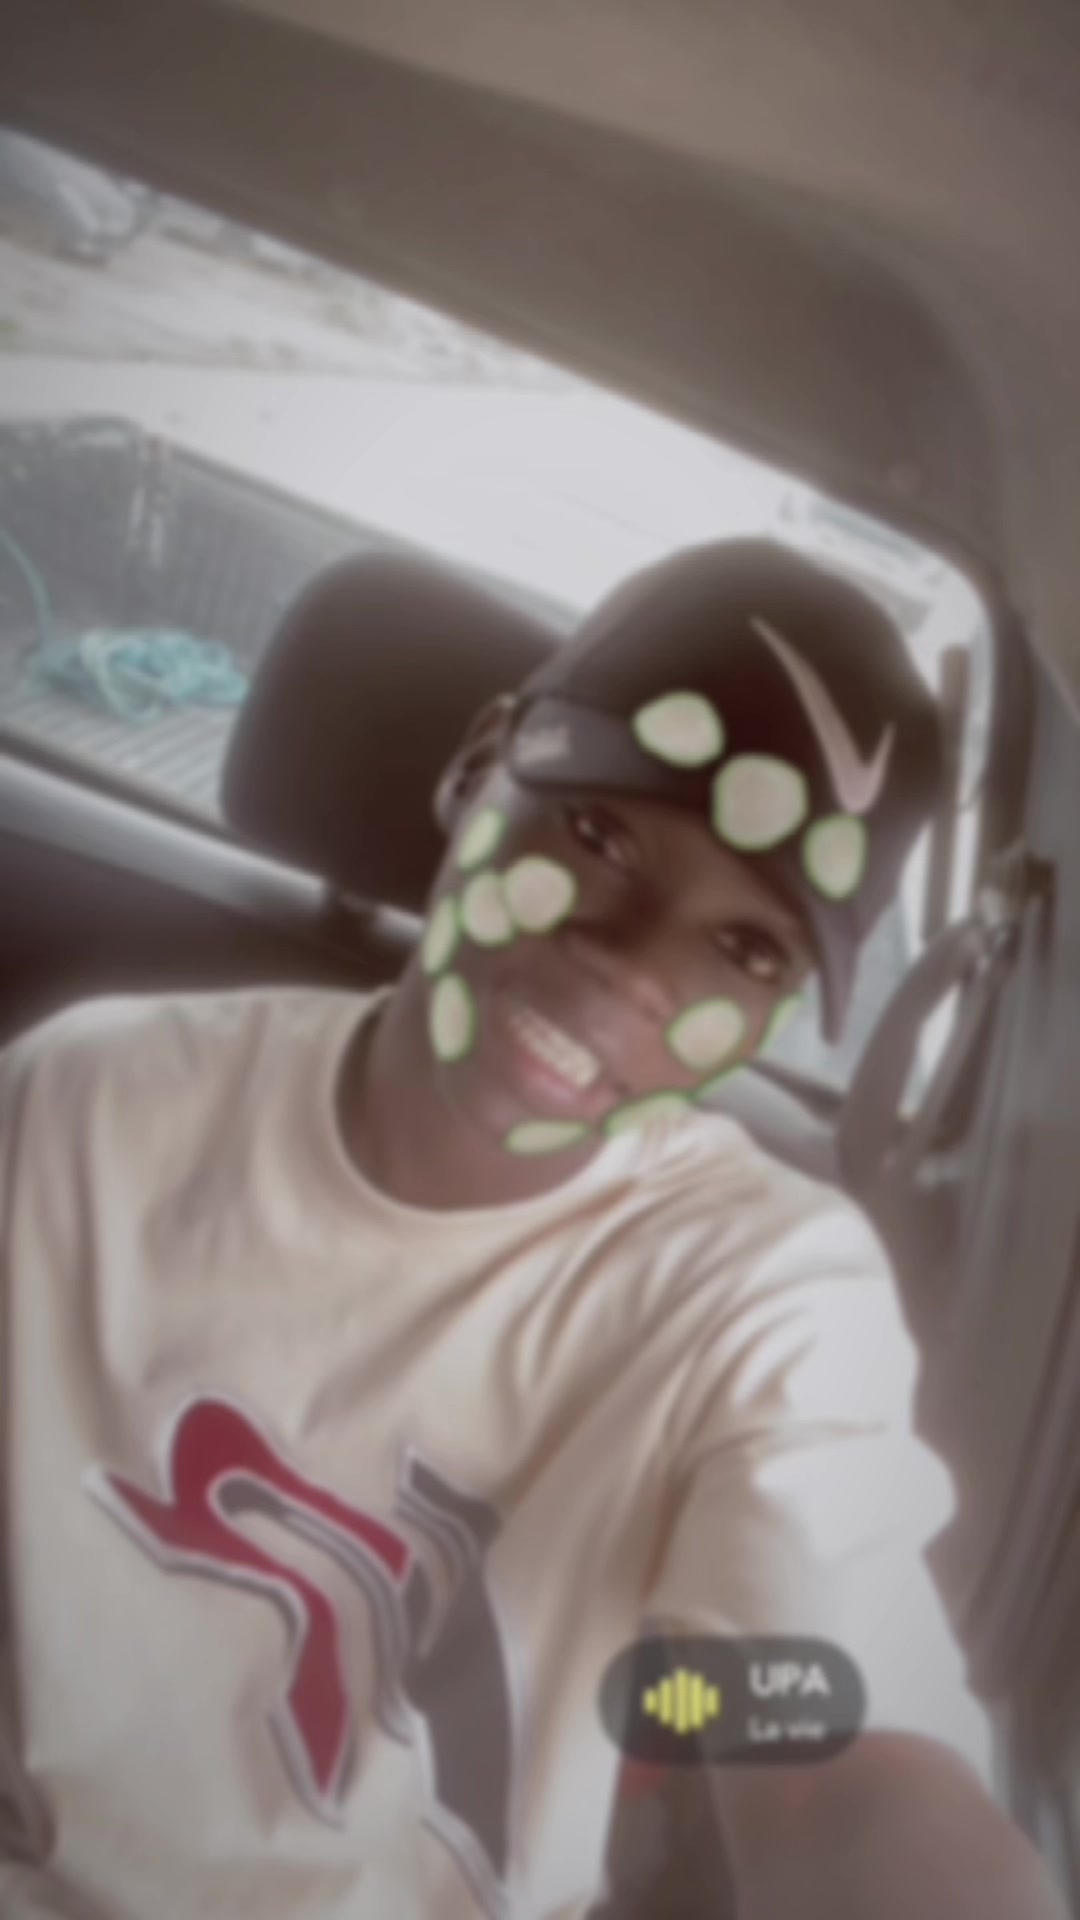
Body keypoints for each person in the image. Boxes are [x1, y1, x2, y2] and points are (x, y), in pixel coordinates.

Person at [0, 541, 1065, 1920]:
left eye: (748, 949)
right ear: (479, 763)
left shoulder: (767, 1293)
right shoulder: (90, 1100)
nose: (633, 964)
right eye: (600, 835)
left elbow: (835, 1751)